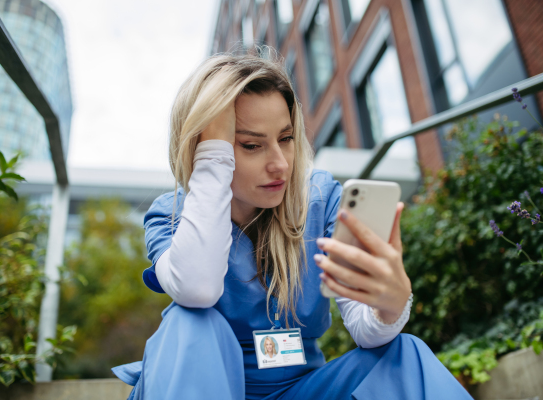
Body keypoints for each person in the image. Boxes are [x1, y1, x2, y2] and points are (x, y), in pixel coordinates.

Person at [112, 52, 473, 400]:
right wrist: (213, 161)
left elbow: (368, 333)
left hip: (301, 389)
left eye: (285, 139)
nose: (280, 164)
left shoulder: (320, 198)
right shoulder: (170, 215)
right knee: (190, 322)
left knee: (404, 353)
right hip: (200, 388)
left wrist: (389, 306)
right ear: (206, 149)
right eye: (252, 145)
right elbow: (198, 289)